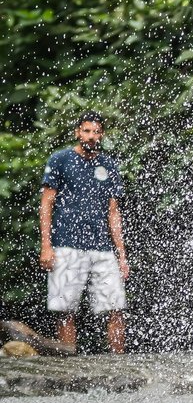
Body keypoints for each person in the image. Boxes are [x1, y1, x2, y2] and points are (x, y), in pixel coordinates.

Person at [39, 112, 129, 354]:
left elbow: (113, 212)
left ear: (102, 135)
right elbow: (46, 203)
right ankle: (70, 366)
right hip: (66, 244)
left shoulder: (108, 165)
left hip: (101, 246)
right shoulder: (61, 160)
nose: (91, 136)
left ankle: (119, 364)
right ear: (78, 133)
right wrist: (46, 246)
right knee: (65, 309)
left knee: (116, 307)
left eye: (96, 132)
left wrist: (121, 256)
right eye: (86, 131)